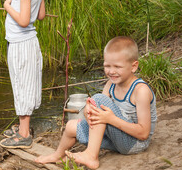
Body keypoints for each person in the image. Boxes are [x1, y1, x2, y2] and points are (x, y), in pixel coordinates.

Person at [36, 36, 157, 169]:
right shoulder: (110, 84)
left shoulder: (141, 91)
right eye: (107, 66)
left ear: (133, 66)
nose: (111, 71)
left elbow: (143, 133)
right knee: (71, 126)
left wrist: (111, 119)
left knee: (98, 99)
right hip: (116, 138)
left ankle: (91, 156)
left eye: (117, 66)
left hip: (134, 143)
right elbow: (100, 116)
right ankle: (58, 156)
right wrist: (88, 112)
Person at [0, 0, 46, 149]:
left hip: (21, 45)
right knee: (25, 82)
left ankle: (24, 134)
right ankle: (23, 127)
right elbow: (42, 14)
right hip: (29, 44)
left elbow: (26, 20)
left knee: (21, 85)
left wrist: (8, 6)